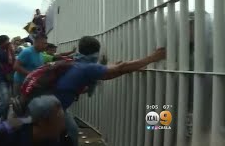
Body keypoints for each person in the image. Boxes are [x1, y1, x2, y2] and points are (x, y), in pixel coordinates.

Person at [22, 36, 166, 146]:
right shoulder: (87, 67)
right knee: (50, 138)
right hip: (48, 110)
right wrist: (152, 58)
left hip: (44, 102)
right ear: (97, 51)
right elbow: (116, 70)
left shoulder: (76, 61)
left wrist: (128, 67)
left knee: (71, 129)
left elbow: (110, 71)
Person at [0, 95, 70, 146]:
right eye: (60, 121)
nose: (63, 126)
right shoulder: (3, 133)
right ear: (42, 122)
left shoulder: (61, 137)